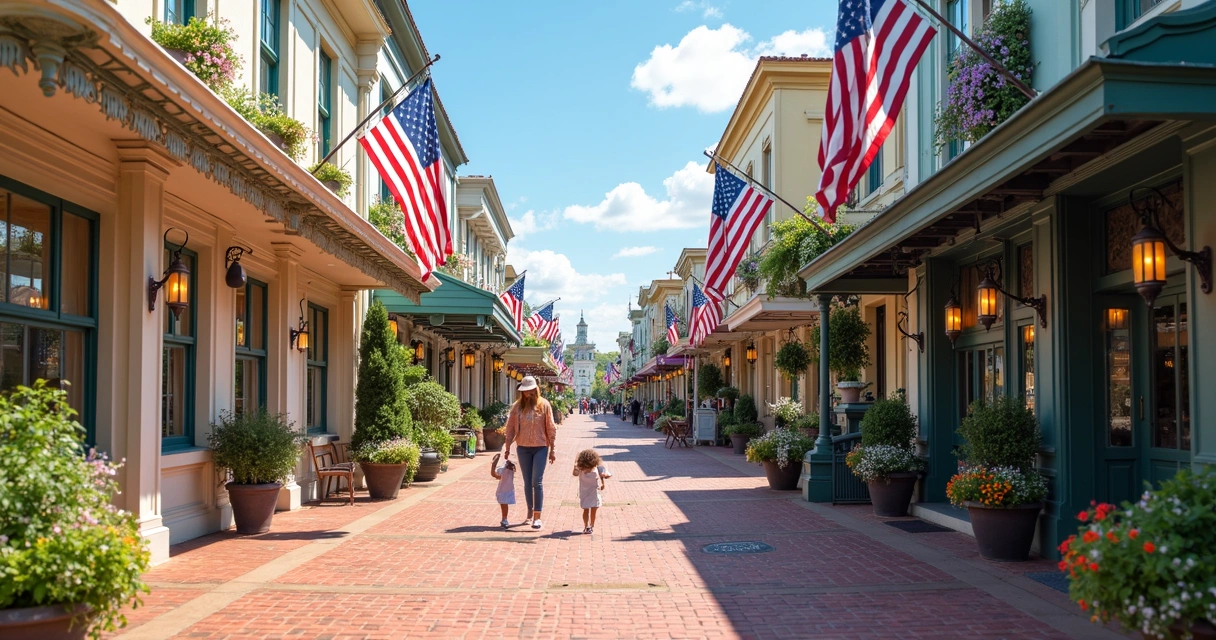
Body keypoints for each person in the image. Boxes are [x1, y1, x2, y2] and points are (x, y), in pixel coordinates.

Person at [503, 376, 557, 530]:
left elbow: (551, 427)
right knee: (527, 482)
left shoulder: (544, 405)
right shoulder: (517, 407)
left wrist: (552, 449)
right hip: (523, 448)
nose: (529, 394)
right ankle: (529, 512)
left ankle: (537, 516)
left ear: (536, 389)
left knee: (536, 481)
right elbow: (510, 428)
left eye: (531, 390)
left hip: (540, 446)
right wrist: (507, 448)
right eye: (526, 391)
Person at [572, 449, 610, 535]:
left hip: (593, 492)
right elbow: (574, 473)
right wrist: (575, 465)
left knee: (592, 510)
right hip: (586, 492)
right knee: (588, 510)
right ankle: (588, 526)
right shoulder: (580, 469)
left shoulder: (596, 467)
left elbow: (604, 476)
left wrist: (603, 482)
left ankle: (589, 526)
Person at [490, 453, 516, 528]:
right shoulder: (501, 459)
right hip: (506, 483)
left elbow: (494, 473)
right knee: (503, 497)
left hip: (508, 479)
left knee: (503, 496)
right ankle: (504, 518)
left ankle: (504, 519)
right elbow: (494, 473)